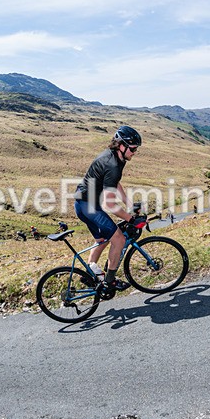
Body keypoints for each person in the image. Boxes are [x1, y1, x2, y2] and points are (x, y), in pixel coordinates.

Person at [74, 125, 142, 298]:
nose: (135, 152)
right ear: (121, 145)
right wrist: (131, 219)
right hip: (89, 207)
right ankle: (110, 281)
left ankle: (92, 273)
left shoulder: (116, 158)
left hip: (83, 204)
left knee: (103, 240)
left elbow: (115, 183)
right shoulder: (113, 164)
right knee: (118, 239)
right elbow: (110, 205)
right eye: (133, 149)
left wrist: (129, 205)